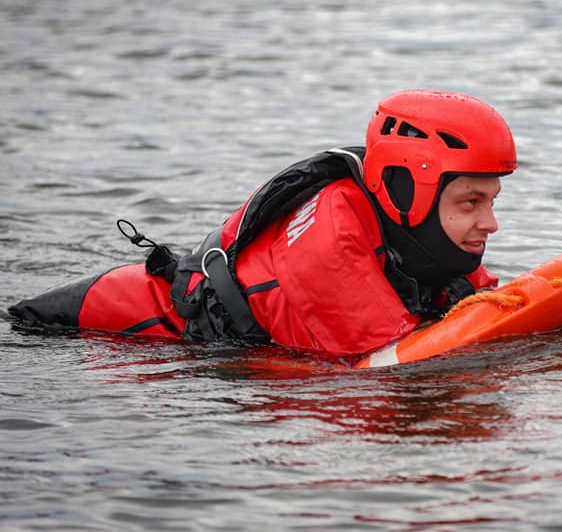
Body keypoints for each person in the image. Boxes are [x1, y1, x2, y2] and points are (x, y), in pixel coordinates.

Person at [8, 89, 518, 363]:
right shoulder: (332, 239)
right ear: (409, 189)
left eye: (491, 201)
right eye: (471, 202)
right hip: (89, 328)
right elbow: (394, 369)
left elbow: (484, 310)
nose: (489, 223)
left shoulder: (424, 235)